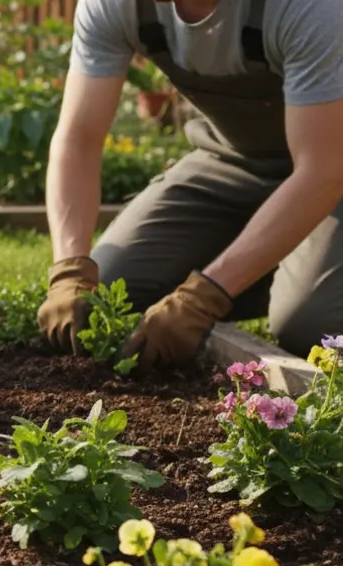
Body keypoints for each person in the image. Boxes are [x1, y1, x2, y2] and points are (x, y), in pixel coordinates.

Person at [37, 0, 343, 370]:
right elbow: (78, 139)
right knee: (110, 292)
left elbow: (323, 170)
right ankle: (290, 267)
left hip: (331, 169)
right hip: (234, 160)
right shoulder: (116, 6)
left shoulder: (308, 8)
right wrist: (69, 268)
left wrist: (205, 296)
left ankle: (300, 282)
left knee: (308, 322)